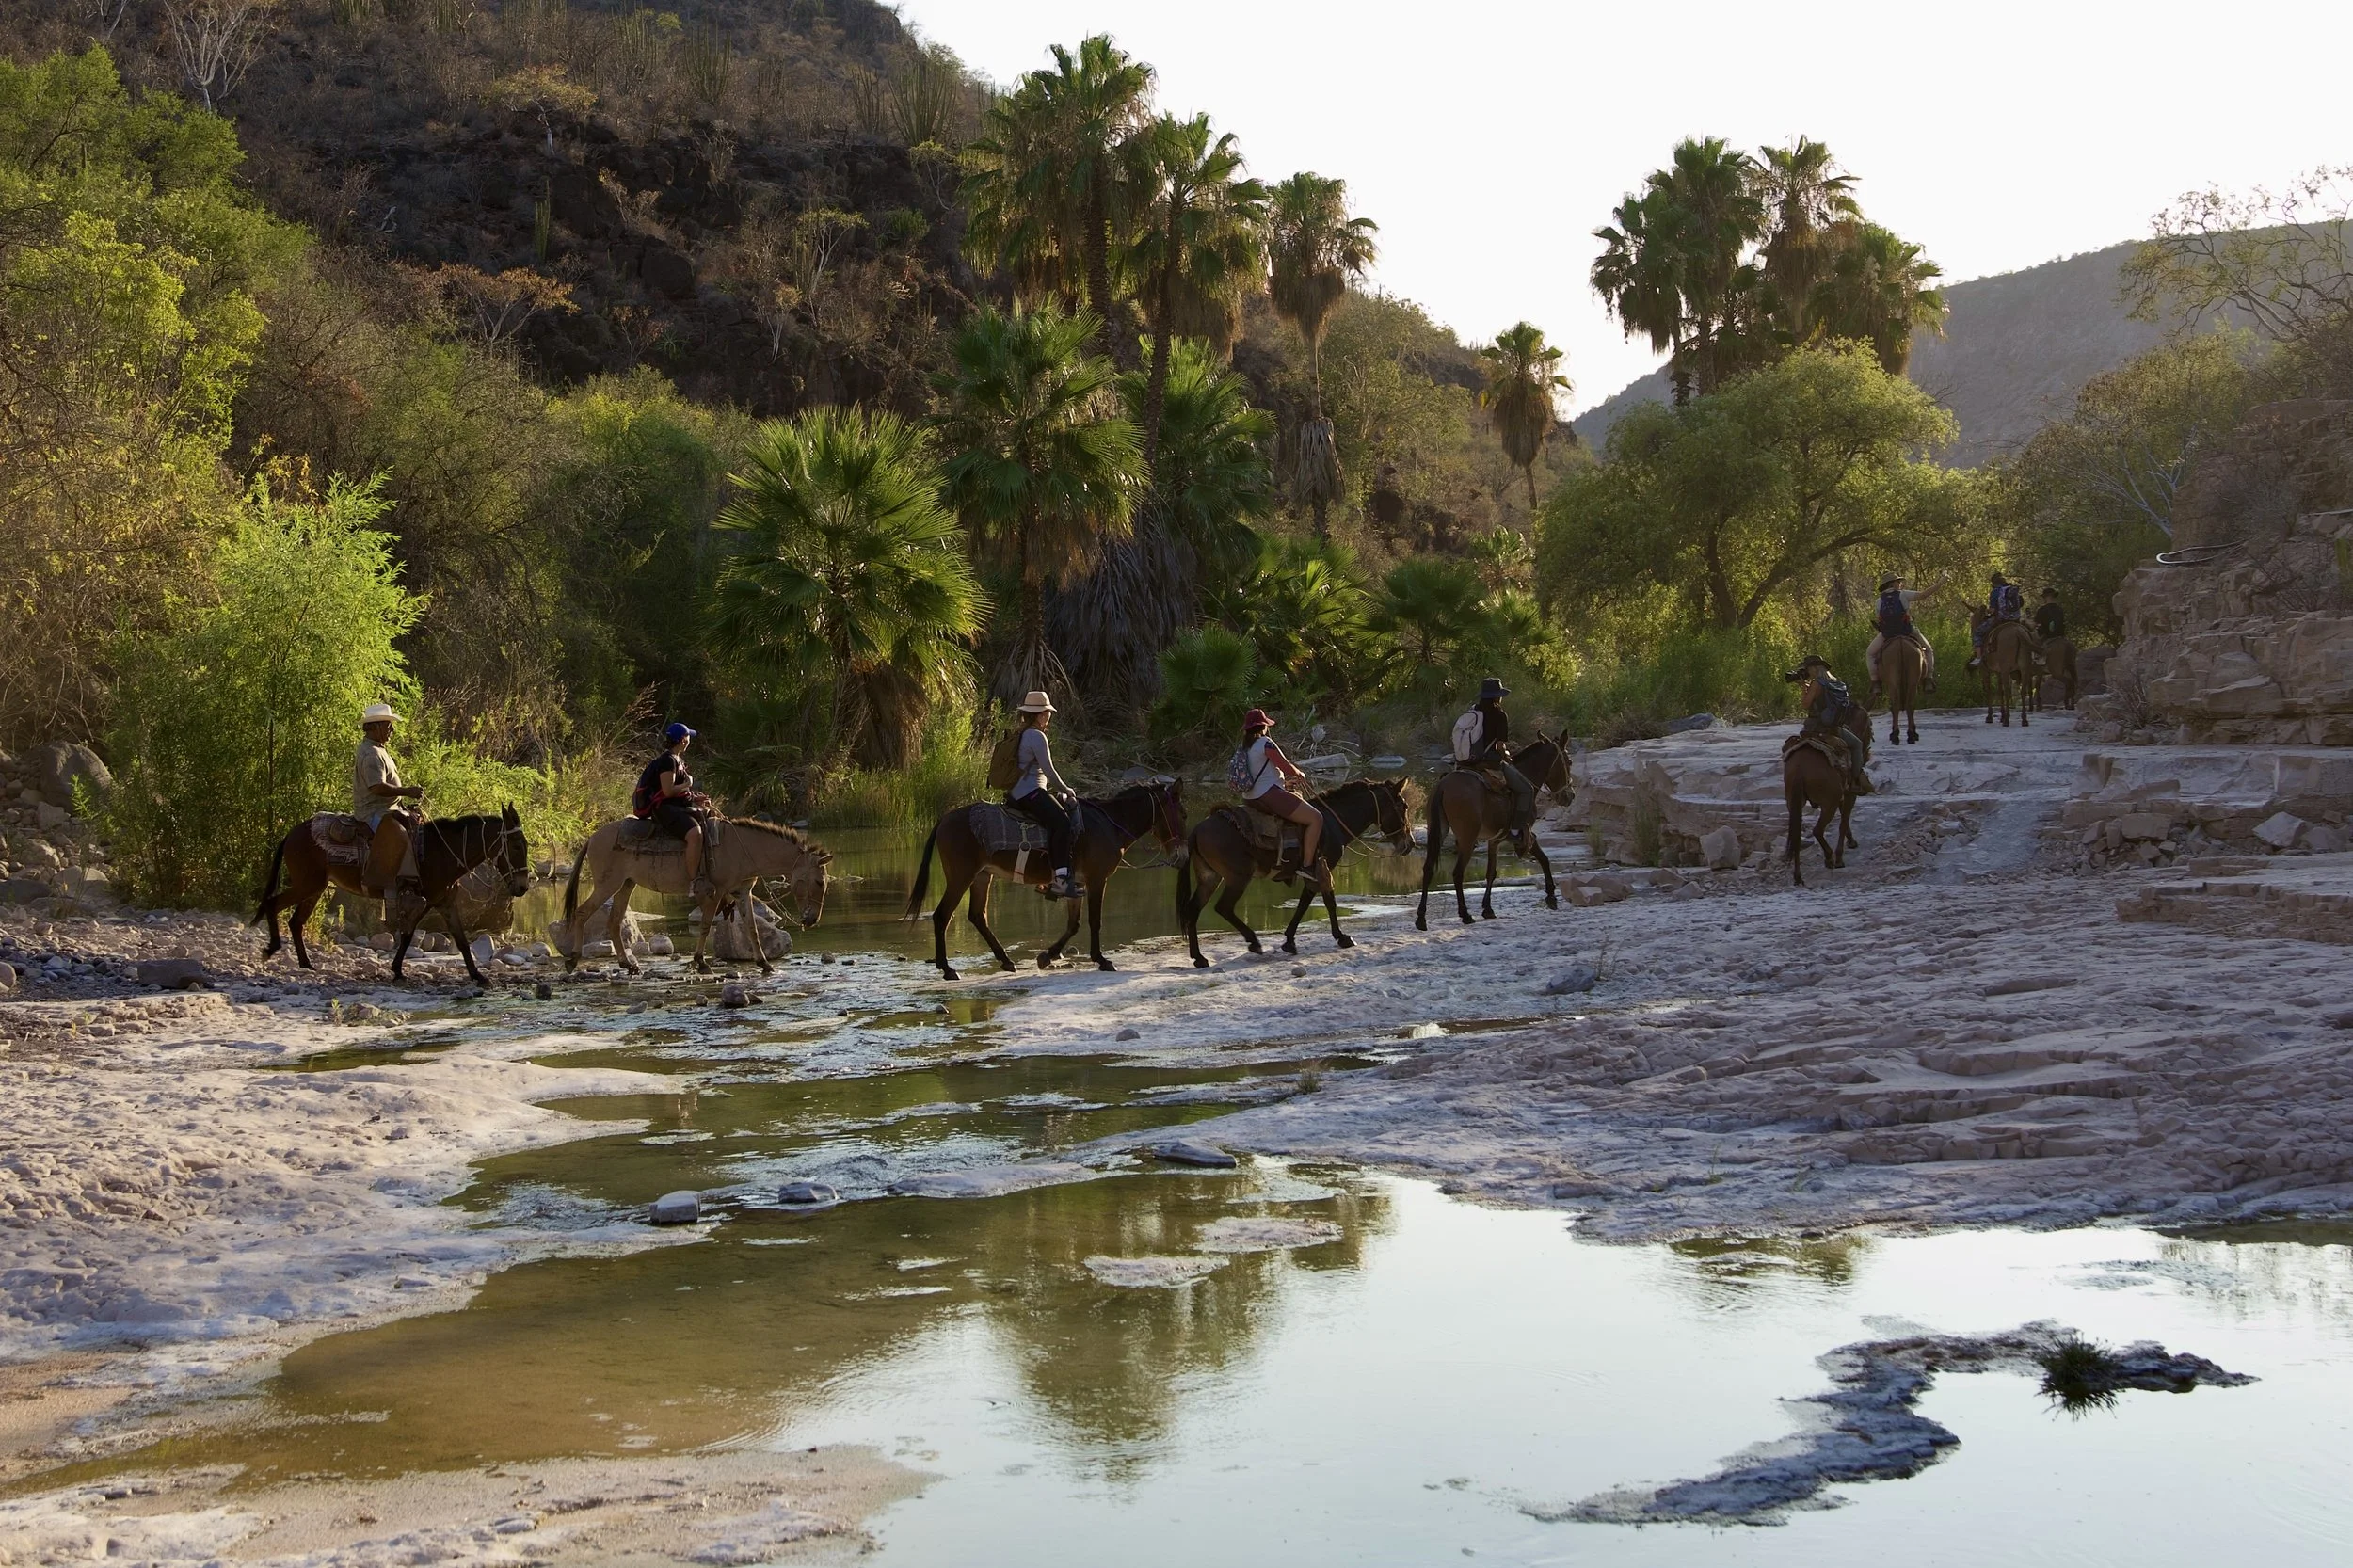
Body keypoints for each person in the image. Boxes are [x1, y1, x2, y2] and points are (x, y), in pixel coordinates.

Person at [1003, 692, 1081, 900]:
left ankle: (1048, 877)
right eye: (1047, 712)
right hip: (1030, 793)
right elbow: (1049, 771)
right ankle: (1061, 880)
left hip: (1019, 792)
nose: (1048, 716)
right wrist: (1067, 789)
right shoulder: (1037, 736)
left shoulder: (1022, 733)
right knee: (1063, 823)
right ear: (1040, 715)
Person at [1233, 708, 1324, 882]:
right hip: (1268, 795)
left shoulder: (1245, 746)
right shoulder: (1265, 743)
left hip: (1250, 796)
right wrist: (1300, 774)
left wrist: (1283, 782)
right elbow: (1286, 767)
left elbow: (1263, 773)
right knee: (1316, 818)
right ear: (1263, 727)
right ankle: (1306, 866)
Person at [1455, 677, 1536, 853]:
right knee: (1526, 790)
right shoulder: (1500, 715)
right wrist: (1506, 756)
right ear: (1496, 697)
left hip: (1467, 762)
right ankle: (1515, 832)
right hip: (1489, 762)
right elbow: (1500, 746)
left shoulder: (1473, 712)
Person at [353, 701, 424, 901]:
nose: (391, 729)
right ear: (374, 727)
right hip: (373, 812)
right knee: (401, 838)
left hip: (386, 809)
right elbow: (377, 787)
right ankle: (395, 889)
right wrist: (407, 791)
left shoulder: (378, 749)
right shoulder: (372, 754)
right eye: (387, 725)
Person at [633, 721, 712, 900]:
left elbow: (676, 792)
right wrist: (688, 784)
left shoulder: (677, 760)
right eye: (688, 737)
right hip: (663, 809)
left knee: (709, 820)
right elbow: (668, 791)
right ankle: (694, 882)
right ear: (683, 740)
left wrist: (694, 798)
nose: (689, 741)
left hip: (674, 805)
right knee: (695, 834)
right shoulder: (668, 761)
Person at [1786, 655, 1873, 796]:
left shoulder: (1816, 684)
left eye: (1807, 668)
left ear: (1814, 668)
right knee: (1857, 745)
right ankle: (1855, 780)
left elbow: (1806, 705)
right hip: (1834, 727)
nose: (1806, 672)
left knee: (1789, 748)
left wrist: (1803, 688)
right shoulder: (1836, 682)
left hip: (1814, 727)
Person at [1865, 574, 1941, 696]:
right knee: (1928, 649)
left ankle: (1875, 682)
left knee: (1870, 653)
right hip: (1907, 631)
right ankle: (1928, 678)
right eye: (1898, 582)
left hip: (1887, 634)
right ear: (1892, 584)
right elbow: (1923, 594)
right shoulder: (1903, 594)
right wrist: (1940, 583)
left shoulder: (1879, 601)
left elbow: (1880, 620)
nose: (1900, 584)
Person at [1969, 571, 2026, 670]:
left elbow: (1993, 610)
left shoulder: (1996, 591)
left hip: (2000, 620)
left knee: (1978, 633)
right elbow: (2020, 604)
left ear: (1994, 583)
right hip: (2016, 620)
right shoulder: (2012, 590)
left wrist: (1987, 610)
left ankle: (1978, 658)